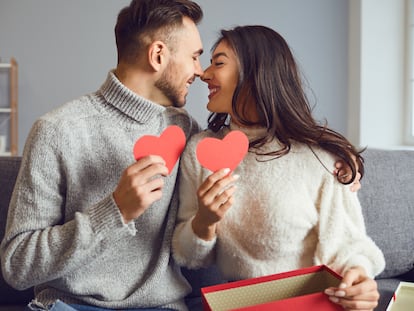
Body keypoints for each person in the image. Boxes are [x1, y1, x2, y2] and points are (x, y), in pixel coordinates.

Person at [0, 0, 204, 310]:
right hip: (71, 306)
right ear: (158, 55)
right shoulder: (57, 131)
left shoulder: (185, 129)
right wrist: (114, 211)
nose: (199, 72)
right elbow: (17, 264)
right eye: (194, 57)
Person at [172, 25, 385, 311]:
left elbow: (349, 245)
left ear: (256, 72)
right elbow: (189, 256)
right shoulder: (201, 151)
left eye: (218, 63)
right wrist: (204, 221)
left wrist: (359, 279)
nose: (204, 74)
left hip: (312, 303)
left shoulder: (321, 158)